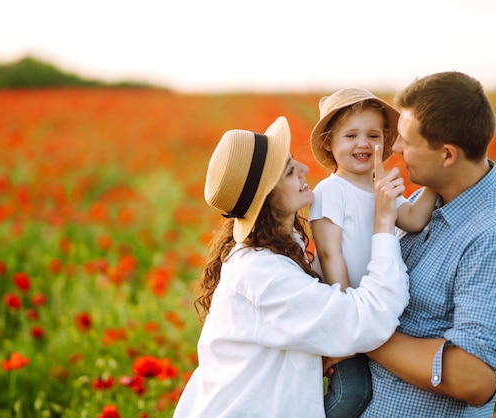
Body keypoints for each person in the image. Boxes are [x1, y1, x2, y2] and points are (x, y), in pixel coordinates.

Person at [326, 71, 496, 417]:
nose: (394, 147)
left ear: (447, 155)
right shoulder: (427, 200)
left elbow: (474, 378)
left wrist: (360, 333)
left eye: (407, 141)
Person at [173, 116, 410, 417]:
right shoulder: (262, 274)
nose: (305, 169)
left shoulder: (280, 249)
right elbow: (368, 318)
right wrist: (384, 224)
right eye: (288, 171)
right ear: (267, 199)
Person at [308, 87, 438, 418]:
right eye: (351, 135)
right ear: (329, 143)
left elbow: (413, 219)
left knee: (370, 389)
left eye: (373, 135)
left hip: (374, 310)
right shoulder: (330, 191)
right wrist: (349, 315)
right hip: (346, 313)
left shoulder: (381, 188)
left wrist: (434, 183)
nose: (363, 143)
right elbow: (329, 254)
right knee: (353, 391)